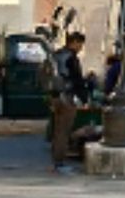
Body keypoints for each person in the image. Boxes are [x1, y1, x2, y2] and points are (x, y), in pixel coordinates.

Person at [50, 31, 87, 175]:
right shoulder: (71, 58)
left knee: (57, 130)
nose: (81, 48)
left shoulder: (56, 54)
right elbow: (77, 80)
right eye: (80, 44)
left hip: (55, 97)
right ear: (75, 42)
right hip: (67, 97)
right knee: (64, 131)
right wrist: (84, 98)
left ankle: (55, 161)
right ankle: (59, 163)